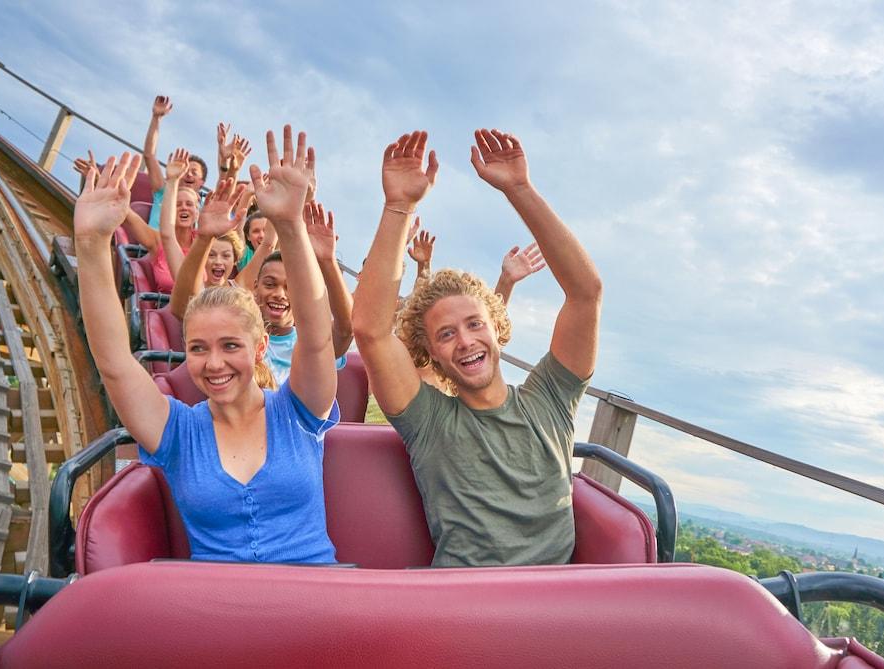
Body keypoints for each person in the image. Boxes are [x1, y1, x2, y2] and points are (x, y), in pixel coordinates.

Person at [74, 124, 339, 564]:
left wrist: (290, 227)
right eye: (198, 348)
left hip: (314, 600)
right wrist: (90, 243)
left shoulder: (299, 412)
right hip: (218, 613)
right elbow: (116, 363)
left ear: (258, 349)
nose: (213, 363)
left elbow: (316, 336)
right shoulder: (178, 432)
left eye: (229, 346)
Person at [352, 129, 603, 567]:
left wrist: (519, 189)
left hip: (553, 608)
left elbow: (585, 292)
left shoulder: (551, 398)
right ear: (431, 353)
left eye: (473, 324)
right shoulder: (428, 419)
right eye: (446, 334)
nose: (465, 340)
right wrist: (399, 205)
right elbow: (371, 330)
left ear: (496, 327)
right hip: (467, 606)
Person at [253, 201, 353, 385]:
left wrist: (327, 260)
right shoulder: (240, 338)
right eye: (270, 284)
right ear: (255, 288)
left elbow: (346, 329)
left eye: (290, 288)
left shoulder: (311, 342)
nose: (279, 294)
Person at [143, 95, 207, 229]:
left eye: (194, 172)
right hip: (154, 247)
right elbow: (149, 156)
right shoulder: (163, 191)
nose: (188, 174)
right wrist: (156, 118)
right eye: (184, 170)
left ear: (202, 182)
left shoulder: (205, 207)